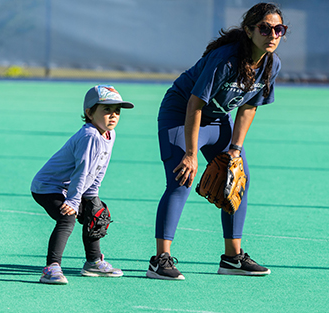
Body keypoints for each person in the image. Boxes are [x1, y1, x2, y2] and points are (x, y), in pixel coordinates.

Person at [146, 2, 287, 280]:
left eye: (279, 29)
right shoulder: (227, 59)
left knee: (238, 177)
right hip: (181, 113)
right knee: (181, 179)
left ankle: (232, 258)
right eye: (265, 28)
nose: (272, 34)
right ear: (249, 31)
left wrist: (235, 149)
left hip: (219, 119)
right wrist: (190, 152)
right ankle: (160, 260)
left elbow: (249, 107)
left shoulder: (272, 64)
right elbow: (195, 104)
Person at [31, 85, 134, 284]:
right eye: (106, 109)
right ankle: (51, 267)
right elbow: (82, 170)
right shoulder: (89, 136)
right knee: (67, 218)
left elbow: (99, 168)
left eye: (117, 111)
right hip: (48, 187)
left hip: (70, 187)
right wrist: (73, 200)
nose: (113, 115)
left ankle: (93, 262)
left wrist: (92, 198)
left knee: (94, 214)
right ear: (89, 112)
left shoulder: (109, 134)